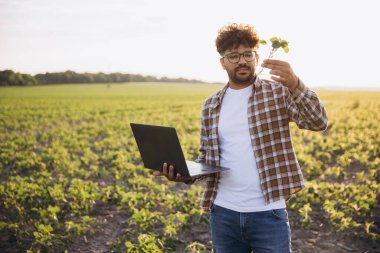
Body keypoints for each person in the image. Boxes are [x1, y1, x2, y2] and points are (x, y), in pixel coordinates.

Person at [153, 23, 328, 253]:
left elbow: (318, 122)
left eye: (248, 54)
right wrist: (184, 174)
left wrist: (295, 83)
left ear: (256, 57)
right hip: (223, 214)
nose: (242, 61)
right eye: (233, 56)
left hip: (268, 214)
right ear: (222, 62)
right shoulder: (211, 105)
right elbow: (208, 158)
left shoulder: (278, 93)